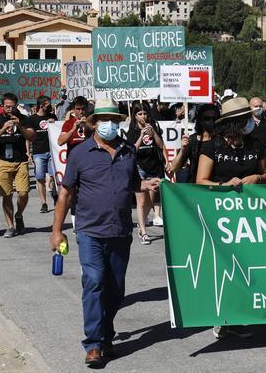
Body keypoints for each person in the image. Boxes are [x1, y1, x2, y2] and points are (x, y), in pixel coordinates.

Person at [50, 98, 161, 367]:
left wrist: (148, 185)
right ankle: (93, 343)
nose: (109, 124)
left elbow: (134, 183)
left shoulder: (127, 151)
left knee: (116, 289)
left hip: (120, 231)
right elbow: (65, 194)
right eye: (103, 120)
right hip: (89, 230)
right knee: (95, 281)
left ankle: (106, 336)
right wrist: (56, 232)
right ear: (94, 123)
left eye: (113, 120)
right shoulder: (80, 154)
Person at [196, 97, 266, 340]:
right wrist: (223, 185)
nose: (251, 122)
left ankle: (236, 317)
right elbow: (200, 182)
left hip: (251, 217)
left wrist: (256, 179)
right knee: (226, 266)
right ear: (234, 123)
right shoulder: (212, 147)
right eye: (247, 119)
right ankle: (222, 316)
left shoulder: (255, 144)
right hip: (221, 216)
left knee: (247, 266)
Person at [0, 93, 36, 238]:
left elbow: (31, 136)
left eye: (12, 107)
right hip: (3, 161)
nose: (10, 109)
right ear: (2, 106)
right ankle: (10, 226)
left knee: (23, 193)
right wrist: (2, 129)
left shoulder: (24, 119)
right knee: (7, 195)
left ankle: (19, 214)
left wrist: (19, 125)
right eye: (7, 107)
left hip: (21, 160)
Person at [126, 104, 166, 242]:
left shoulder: (153, 126)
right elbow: (132, 150)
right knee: (141, 201)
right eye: (140, 114)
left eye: (145, 113)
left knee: (149, 202)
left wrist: (153, 133)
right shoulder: (133, 130)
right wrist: (141, 135)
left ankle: (140, 222)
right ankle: (143, 232)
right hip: (139, 167)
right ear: (135, 116)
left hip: (153, 167)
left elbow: (161, 146)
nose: (143, 117)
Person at [169, 104, 218, 183]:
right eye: (207, 118)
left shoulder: (221, 140)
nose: (211, 121)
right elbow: (174, 168)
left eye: (214, 118)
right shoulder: (193, 140)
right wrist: (182, 149)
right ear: (201, 120)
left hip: (215, 188)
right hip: (194, 188)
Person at [26, 95, 58, 214]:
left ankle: (54, 193)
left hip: (52, 151)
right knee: (40, 178)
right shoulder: (32, 119)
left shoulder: (52, 116)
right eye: (47, 104)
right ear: (41, 105)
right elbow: (28, 137)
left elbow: (58, 130)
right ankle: (43, 203)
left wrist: (53, 123)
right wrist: (28, 152)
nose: (49, 106)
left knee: (54, 176)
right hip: (38, 152)